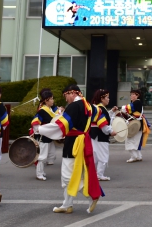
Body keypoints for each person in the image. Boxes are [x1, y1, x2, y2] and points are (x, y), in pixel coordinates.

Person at [43, 84, 102, 214]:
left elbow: (62, 125)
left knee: (66, 176)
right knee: (73, 173)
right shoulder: (88, 105)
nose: (66, 99)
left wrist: (41, 129)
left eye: (65, 96)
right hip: (82, 142)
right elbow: (99, 112)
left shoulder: (74, 106)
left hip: (73, 144)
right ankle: (67, 204)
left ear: (71, 93)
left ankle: (91, 195)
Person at [31, 88, 60, 181]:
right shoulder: (42, 111)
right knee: (42, 156)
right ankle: (39, 174)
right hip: (43, 137)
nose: (53, 101)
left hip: (48, 136)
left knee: (49, 155)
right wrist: (41, 130)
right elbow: (35, 123)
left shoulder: (49, 109)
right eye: (51, 99)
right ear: (46, 100)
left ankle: (41, 171)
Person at [90, 89, 118, 181]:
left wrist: (112, 112)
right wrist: (111, 131)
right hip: (100, 135)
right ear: (102, 99)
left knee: (96, 155)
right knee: (103, 156)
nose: (108, 99)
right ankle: (99, 174)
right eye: (107, 97)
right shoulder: (100, 109)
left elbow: (105, 119)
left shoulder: (97, 108)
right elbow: (103, 124)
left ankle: (94, 173)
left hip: (94, 134)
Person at [122, 89, 150, 162]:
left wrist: (122, 109)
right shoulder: (136, 103)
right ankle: (138, 156)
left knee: (129, 140)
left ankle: (133, 156)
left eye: (133, 94)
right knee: (136, 140)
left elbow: (125, 109)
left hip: (136, 124)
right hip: (138, 123)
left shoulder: (137, 102)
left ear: (137, 95)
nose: (131, 96)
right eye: (131, 94)